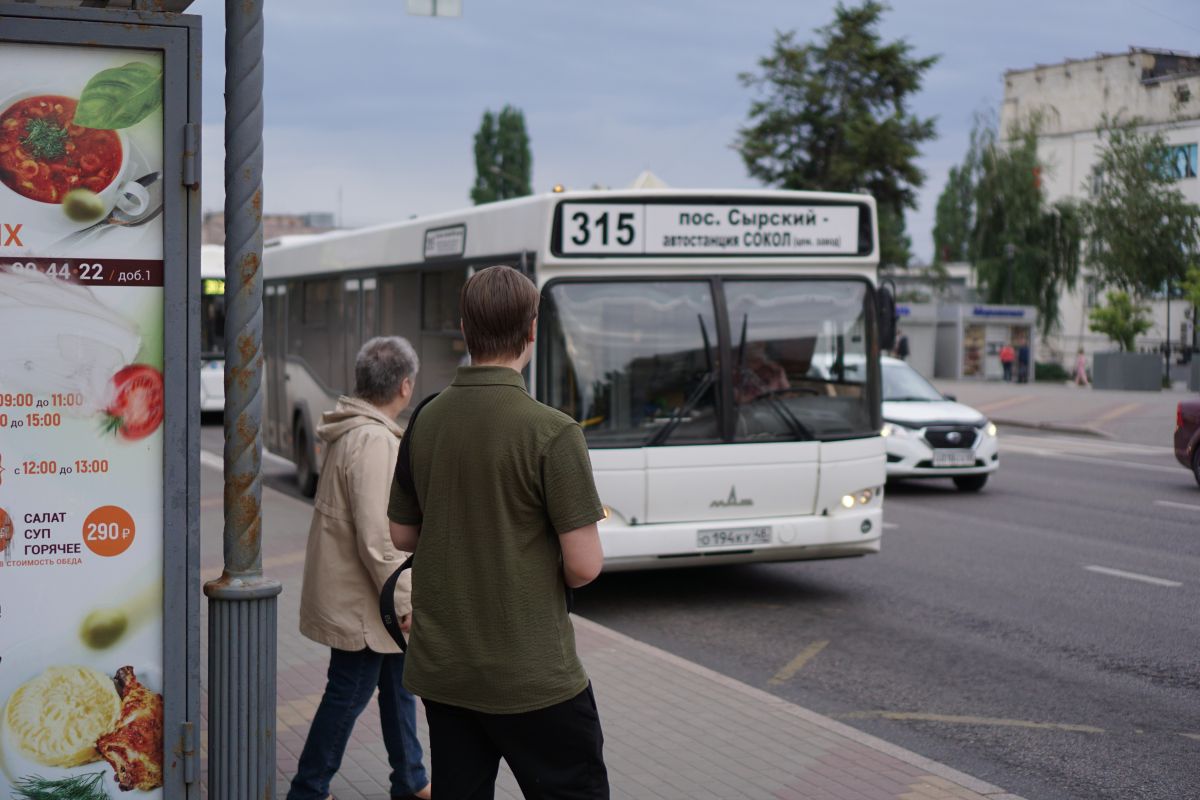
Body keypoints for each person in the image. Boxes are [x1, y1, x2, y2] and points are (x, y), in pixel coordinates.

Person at [389, 265, 608, 800]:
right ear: (533, 329)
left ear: (464, 329)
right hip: (533, 674)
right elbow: (584, 566)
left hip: (446, 671)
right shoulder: (553, 431)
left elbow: (402, 535)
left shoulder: (426, 418)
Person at [288, 337, 431, 800]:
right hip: (364, 603)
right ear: (405, 386)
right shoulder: (373, 441)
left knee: (398, 686)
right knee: (348, 693)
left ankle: (410, 779)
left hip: (366, 596)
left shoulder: (356, 428)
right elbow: (379, 535)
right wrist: (406, 600)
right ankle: (308, 790)